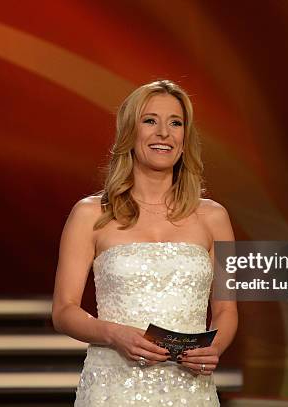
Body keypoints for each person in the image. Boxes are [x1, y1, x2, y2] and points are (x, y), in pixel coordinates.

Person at [52, 79, 238, 406]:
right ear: (129, 133)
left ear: (185, 138)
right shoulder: (90, 213)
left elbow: (226, 310)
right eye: (150, 120)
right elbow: (64, 310)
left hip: (189, 390)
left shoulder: (214, 217)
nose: (163, 132)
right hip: (113, 388)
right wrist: (113, 334)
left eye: (175, 123)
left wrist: (214, 348)